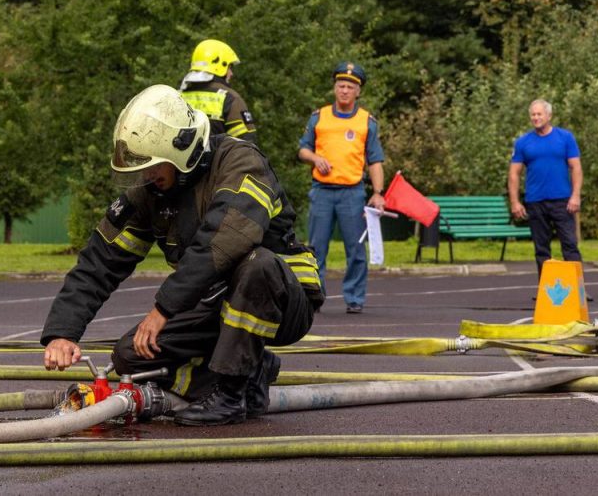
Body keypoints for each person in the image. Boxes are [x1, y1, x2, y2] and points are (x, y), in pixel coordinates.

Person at [41, 85, 323, 426]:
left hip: (282, 300)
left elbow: (223, 240)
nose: (146, 176)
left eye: (153, 166)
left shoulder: (241, 162)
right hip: (216, 304)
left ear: (183, 152)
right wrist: (63, 332)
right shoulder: (154, 192)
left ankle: (232, 395)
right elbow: (100, 262)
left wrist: (163, 309)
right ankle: (250, 373)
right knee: (131, 356)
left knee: (255, 264)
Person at [297, 61, 385, 314]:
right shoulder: (319, 117)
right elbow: (303, 148)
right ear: (335, 88)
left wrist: (378, 193)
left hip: (352, 192)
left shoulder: (366, 121)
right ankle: (314, 297)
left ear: (358, 91)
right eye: (340, 85)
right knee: (315, 249)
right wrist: (315, 158)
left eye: (350, 87)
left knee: (356, 249)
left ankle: (354, 298)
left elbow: (375, 160)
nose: (344, 90)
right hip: (322, 191)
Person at [508, 99, 583, 281]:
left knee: (570, 245)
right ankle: (546, 291)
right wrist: (515, 202)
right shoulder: (523, 142)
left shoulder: (565, 138)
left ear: (549, 115)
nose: (536, 117)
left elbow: (576, 168)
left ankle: (578, 289)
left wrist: (575, 195)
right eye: (533, 114)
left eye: (539, 114)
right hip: (535, 202)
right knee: (541, 248)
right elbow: (514, 174)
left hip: (563, 201)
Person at [179, 39, 257, 142]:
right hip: (220, 158)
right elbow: (246, 144)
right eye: (230, 67)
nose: (231, 73)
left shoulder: (178, 96)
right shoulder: (230, 98)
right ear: (220, 65)